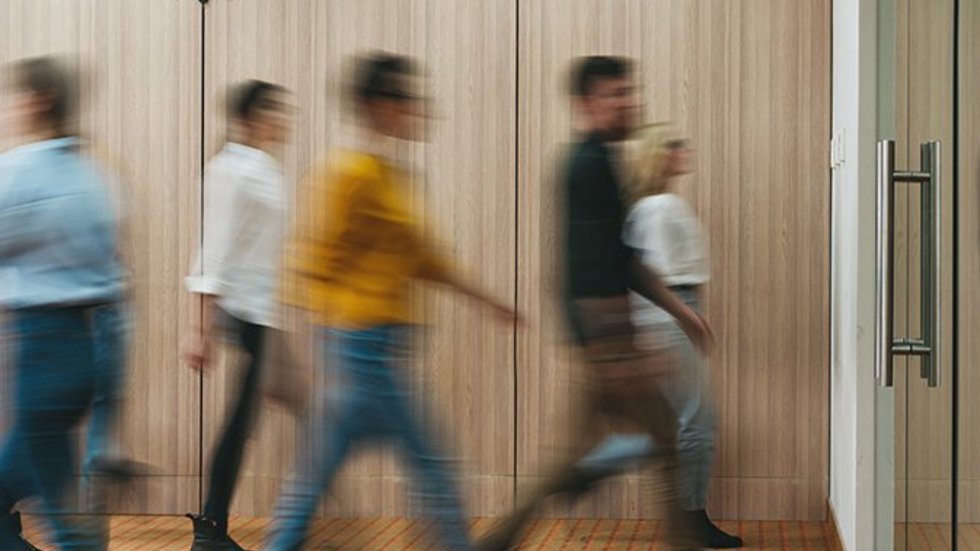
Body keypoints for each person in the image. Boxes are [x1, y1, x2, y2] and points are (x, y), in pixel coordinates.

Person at [265, 52, 518, 551]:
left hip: (373, 351)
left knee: (314, 477)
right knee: (433, 467)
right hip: (359, 353)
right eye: (404, 99)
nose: (415, 109)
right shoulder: (347, 173)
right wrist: (300, 353)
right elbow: (306, 263)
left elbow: (423, 259)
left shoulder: (393, 175)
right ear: (375, 105)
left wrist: (487, 300)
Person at [477, 57, 712, 551]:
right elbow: (582, 269)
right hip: (607, 346)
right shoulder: (585, 166)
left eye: (630, 92)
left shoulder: (602, 162)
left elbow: (623, 259)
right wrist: (615, 351)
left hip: (608, 345)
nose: (629, 102)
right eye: (616, 94)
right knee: (663, 441)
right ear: (586, 103)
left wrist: (681, 312)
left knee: (582, 455)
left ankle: (501, 537)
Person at [574, 123, 742, 548]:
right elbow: (655, 277)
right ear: (656, 156)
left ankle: (590, 466)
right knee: (697, 422)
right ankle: (692, 518)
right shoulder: (658, 208)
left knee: (669, 427)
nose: (682, 149)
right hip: (671, 318)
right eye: (672, 145)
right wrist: (685, 319)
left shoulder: (652, 206)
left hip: (671, 315)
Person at [0, 56, 123, 551]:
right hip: (86, 348)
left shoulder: (19, 171)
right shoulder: (92, 174)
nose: (8, 108)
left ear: (37, 101)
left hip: (43, 353)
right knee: (18, 478)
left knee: (70, 530)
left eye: (13, 97)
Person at [182, 80, 293, 551]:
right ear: (250, 118)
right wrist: (199, 329)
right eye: (274, 111)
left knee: (244, 421)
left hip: (263, 313)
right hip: (244, 311)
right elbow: (213, 250)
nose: (283, 119)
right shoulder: (231, 169)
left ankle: (213, 527)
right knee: (244, 422)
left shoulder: (265, 168)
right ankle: (211, 528)